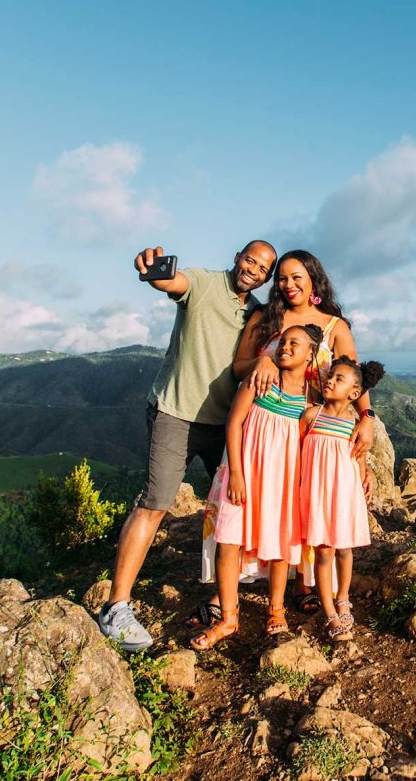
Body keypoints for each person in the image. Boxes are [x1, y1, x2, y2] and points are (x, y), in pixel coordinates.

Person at [98, 240, 276, 652]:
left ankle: (222, 595)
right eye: (251, 260)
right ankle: (117, 607)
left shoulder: (258, 315)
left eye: (263, 268)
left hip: (226, 422)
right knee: (156, 502)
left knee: (236, 506)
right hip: (175, 413)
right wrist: (154, 272)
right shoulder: (203, 283)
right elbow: (171, 282)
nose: (254, 270)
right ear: (237, 257)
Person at [233, 249, 376, 610]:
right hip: (265, 425)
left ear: (314, 278)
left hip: (314, 431)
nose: (288, 284)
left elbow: (353, 375)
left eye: (297, 276)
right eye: (282, 278)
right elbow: (237, 368)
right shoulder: (265, 318)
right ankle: (240, 586)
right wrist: (264, 358)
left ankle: (302, 583)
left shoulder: (334, 326)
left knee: (301, 503)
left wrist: (367, 418)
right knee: (268, 503)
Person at [191, 324, 322, 649]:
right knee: (229, 540)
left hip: (284, 481)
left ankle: (276, 609)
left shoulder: (309, 396)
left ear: (311, 354)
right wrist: (235, 473)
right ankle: (229, 617)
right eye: (282, 341)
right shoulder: (260, 380)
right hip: (245, 475)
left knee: (280, 544)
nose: (286, 346)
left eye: (296, 343)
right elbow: (234, 422)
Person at [299, 356, 385, 641]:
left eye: (339, 379)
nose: (330, 381)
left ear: (354, 394)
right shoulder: (312, 416)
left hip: (344, 495)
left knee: (345, 550)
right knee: (323, 553)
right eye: (331, 376)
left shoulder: (355, 423)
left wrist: (364, 478)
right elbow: (297, 453)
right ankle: (329, 612)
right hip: (317, 495)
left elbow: (358, 459)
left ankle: (343, 597)